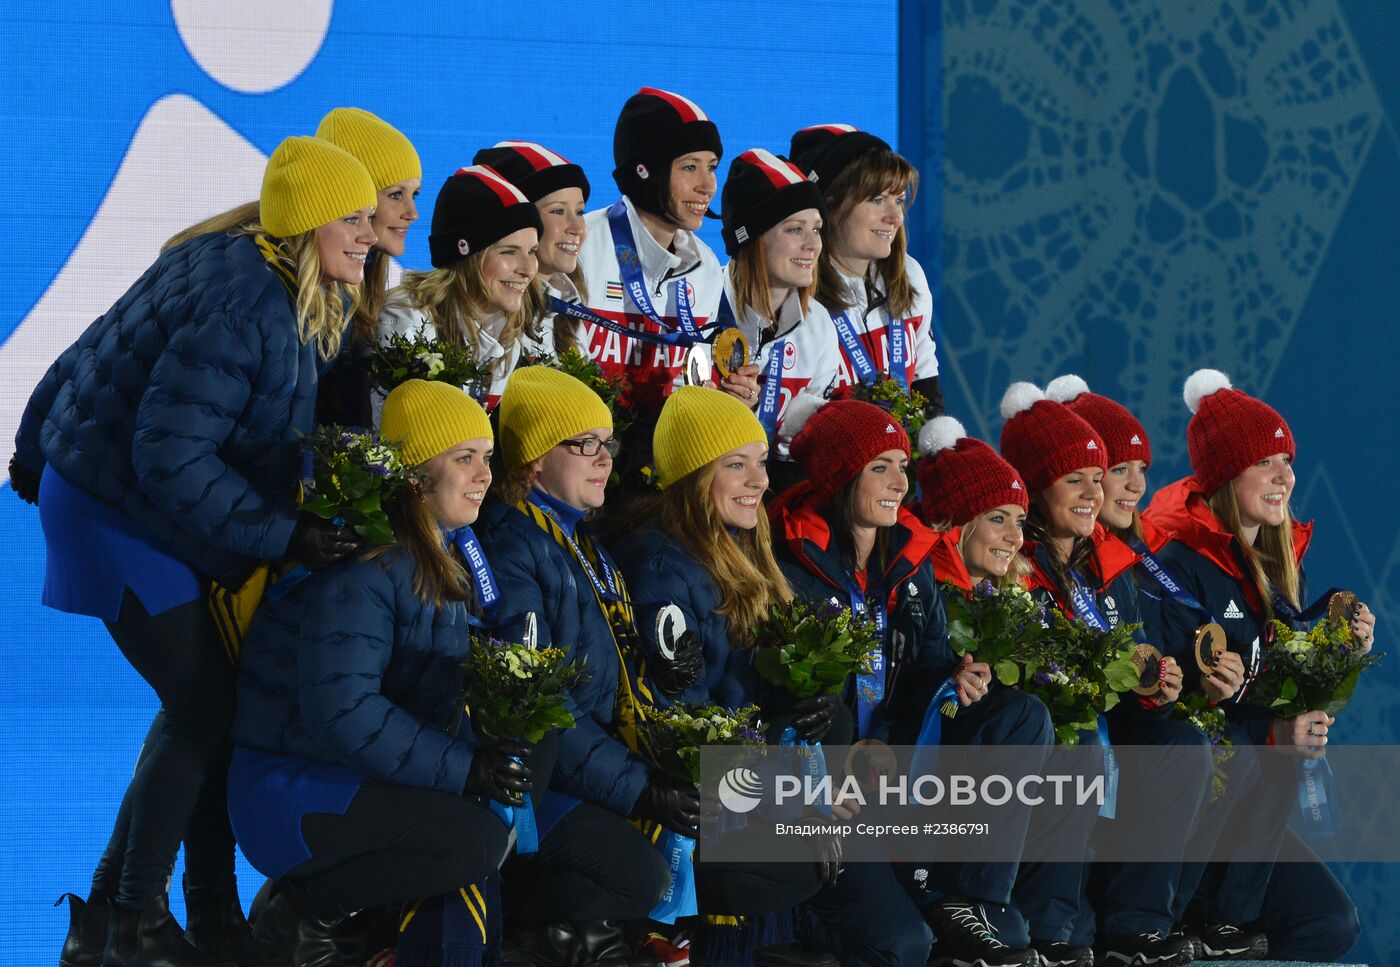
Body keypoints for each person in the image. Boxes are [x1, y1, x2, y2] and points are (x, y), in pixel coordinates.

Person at [13, 136, 377, 966]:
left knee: (201, 703)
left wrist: (34, 441)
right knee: (204, 707)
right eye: (354, 217)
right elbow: (171, 455)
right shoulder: (246, 302)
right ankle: (133, 921)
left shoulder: (248, 267)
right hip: (119, 512)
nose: (372, 232)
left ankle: (122, 916)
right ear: (306, 222)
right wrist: (288, 534)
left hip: (128, 500)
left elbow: (98, 341)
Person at [228, 380, 520, 965]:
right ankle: (310, 914)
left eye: (487, 458)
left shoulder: (443, 552)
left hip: (739, 787)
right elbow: (346, 711)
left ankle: (721, 924)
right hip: (299, 782)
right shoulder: (376, 565)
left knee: (522, 824)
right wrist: (472, 766)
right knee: (490, 834)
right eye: (465, 458)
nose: (762, 481)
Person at [771, 399, 1048, 967]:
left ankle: (968, 901)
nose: (901, 481)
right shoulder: (788, 561)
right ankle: (808, 930)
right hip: (822, 782)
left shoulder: (910, 557)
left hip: (891, 764)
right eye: (881, 466)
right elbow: (774, 698)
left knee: (1020, 713)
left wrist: (957, 679)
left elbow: (922, 671)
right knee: (902, 946)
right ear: (840, 475)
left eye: (903, 464)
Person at [610, 386, 841, 967]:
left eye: (761, 463)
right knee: (801, 852)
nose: (760, 481)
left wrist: (814, 693)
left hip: (735, 772)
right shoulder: (659, 565)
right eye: (735, 465)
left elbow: (754, 691)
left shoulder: (746, 549)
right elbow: (680, 726)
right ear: (692, 478)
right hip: (679, 801)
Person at [1143, 369, 1367, 962]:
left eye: (1287, 460)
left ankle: (1221, 934)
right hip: (1191, 807)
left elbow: (1273, 684)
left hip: (1249, 799)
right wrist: (1268, 733)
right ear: (1223, 475)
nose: (1285, 477)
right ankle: (1191, 923)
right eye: (1265, 462)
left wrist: (1341, 652)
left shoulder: (1272, 563)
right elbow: (1164, 718)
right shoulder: (1175, 564)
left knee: (1329, 926)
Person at [998, 382, 1209, 966]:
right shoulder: (1014, 563)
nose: (1099, 493)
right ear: (1036, 488)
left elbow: (1135, 665)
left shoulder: (1107, 566)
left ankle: (1136, 924)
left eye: (1101, 477)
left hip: (1101, 730)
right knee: (1077, 740)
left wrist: (1156, 689)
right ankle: (1049, 923)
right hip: (1042, 737)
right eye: (1078, 480)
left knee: (1182, 744)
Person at [475, 366, 673, 966]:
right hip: (540, 781)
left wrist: (674, 679)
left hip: (590, 761)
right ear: (534, 460)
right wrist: (642, 788)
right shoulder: (515, 547)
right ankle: (502, 927)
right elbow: (541, 708)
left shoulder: (583, 542)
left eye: (606, 443)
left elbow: (616, 679)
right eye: (583, 444)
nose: (604, 458)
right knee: (639, 874)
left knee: (778, 832)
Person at [574, 87, 736, 483]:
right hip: (582, 460)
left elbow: (693, 377)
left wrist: (725, 392)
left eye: (712, 166)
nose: (707, 186)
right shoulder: (580, 245)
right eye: (689, 167)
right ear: (644, 170)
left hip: (662, 468)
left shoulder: (706, 266)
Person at [786, 125, 940, 413]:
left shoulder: (908, 274)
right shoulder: (793, 297)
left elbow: (927, 391)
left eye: (898, 200)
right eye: (877, 199)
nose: (895, 217)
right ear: (829, 204)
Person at [717, 148, 841, 493]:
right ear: (753, 236)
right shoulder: (700, 305)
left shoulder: (818, 324)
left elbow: (803, 454)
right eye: (794, 230)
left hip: (778, 495)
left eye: (816, 229)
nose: (813, 245)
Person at [380, 165, 542, 411]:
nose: (528, 270)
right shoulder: (406, 318)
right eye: (509, 252)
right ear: (468, 255)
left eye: (531, 252)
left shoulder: (509, 330)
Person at [315, 107, 423, 428]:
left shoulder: (359, 280)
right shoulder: (317, 285)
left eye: (414, 194)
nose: (412, 212)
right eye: (395, 195)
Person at [472, 140, 592, 359]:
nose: (576, 228)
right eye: (557, 211)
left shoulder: (567, 301)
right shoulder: (490, 304)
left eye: (580, 212)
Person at [913, 415, 1030, 591]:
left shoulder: (1022, 598)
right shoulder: (917, 600)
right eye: (998, 519)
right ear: (953, 524)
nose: (1015, 538)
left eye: (1019, 522)